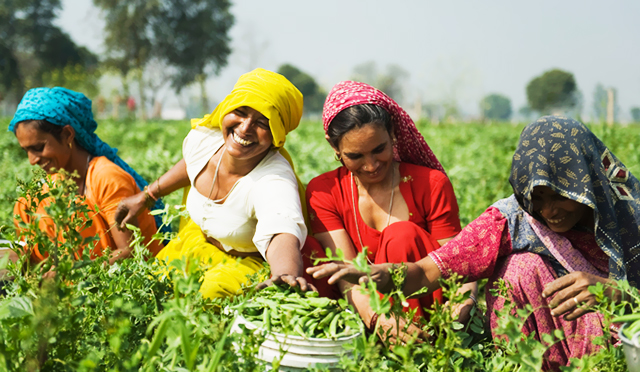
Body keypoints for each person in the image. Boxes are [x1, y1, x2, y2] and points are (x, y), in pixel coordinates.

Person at [309, 115, 639, 370]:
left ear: (585, 182)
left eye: (560, 196)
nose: (549, 211)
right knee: (517, 269)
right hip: (560, 344)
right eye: (536, 198)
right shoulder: (514, 217)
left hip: (627, 348)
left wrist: (615, 292)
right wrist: (381, 275)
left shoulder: (631, 214)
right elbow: (429, 270)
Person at [115, 68, 314, 300]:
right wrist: (147, 196)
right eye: (240, 112)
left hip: (242, 265)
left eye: (262, 122)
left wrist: (284, 274)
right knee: (148, 287)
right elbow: (192, 165)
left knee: (208, 295)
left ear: (276, 135)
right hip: (196, 245)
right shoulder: (207, 139)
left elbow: (282, 230)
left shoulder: (273, 180)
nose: (245, 128)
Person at [305, 81, 477, 339]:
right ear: (335, 147)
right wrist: (378, 318)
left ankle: (421, 342)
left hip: (430, 306)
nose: (371, 165)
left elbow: (457, 263)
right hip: (364, 308)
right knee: (306, 250)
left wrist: (464, 302)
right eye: (356, 156)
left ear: (393, 134)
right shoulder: (325, 192)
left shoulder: (430, 184)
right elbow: (345, 275)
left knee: (402, 236)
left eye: (379, 149)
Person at [9, 87, 163, 265]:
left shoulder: (106, 177)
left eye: (38, 148)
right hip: (82, 278)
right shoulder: (53, 183)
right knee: (26, 204)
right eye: (26, 151)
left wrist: (70, 272)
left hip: (128, 277)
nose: (32, 160)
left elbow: (129, 252)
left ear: (67, 135)